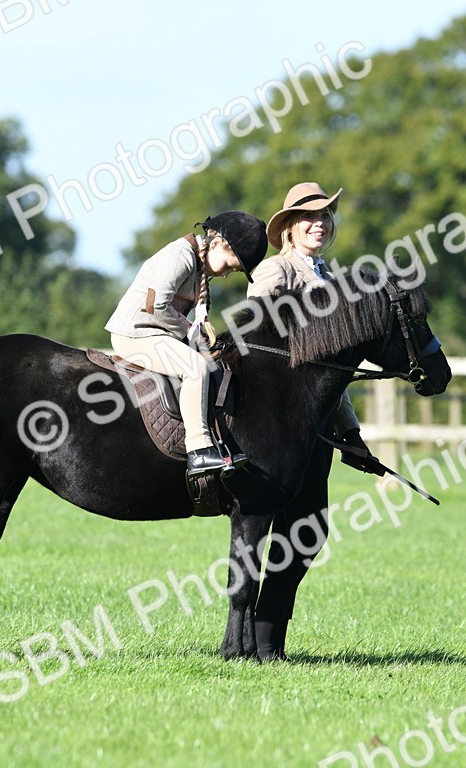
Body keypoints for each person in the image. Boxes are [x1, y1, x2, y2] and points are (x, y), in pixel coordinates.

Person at [247, 181, 378, 660]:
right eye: (309, 217)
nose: (319, 223)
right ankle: (261, 643)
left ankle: (270, 639)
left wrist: (351, 435)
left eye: (326, 215)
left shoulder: (330, 275)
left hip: (316, 430)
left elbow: (332, 375)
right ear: (288, 228)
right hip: (275, 428)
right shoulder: (273, 271)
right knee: (273, 531)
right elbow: (257, 334)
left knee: (308, 532)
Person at [106, 210, 269, 477]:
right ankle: (199, 451)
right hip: (134, 333)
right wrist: (189, 331)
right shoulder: (180, 256)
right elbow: (155, 305)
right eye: (230, 265)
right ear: (216, 244)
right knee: (195, 368)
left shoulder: (199, 266)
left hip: (155, 334)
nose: (228, 274)